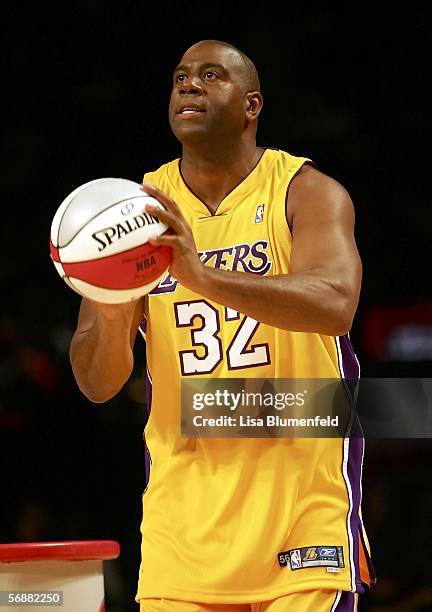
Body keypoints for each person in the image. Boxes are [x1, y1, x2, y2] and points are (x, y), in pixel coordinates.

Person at [69, 40, 376, 611]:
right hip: (183, 527)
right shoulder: (130, 213)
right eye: (181, 76)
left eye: (211, 76)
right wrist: (112, 299)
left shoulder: (304, 191)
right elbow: (97, 382)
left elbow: (335, 303)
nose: (189, 85)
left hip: (302, 514)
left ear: (251, 105)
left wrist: (199, 274)